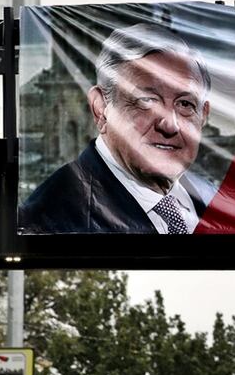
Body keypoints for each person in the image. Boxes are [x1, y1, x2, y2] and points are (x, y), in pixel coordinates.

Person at [19, 23, 215, 234]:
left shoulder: (214, 199)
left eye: (185, 104)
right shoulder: (50, 219)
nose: (170, 125)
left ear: (203, 114)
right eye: (146, 101)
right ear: (101, 108)